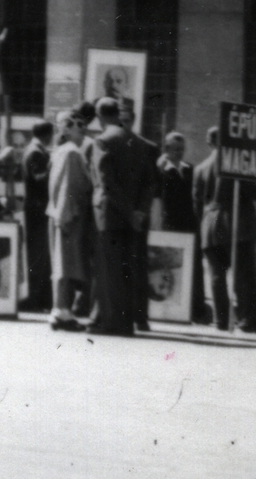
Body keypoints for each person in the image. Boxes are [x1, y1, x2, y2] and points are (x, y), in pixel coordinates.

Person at [85, 96, 149, 336]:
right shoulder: (137, 141)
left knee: (106, 269)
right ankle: (125, 322)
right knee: (125, 269)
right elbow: (148, 183)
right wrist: (138, 211)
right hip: (131, 217)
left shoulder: (102, 141)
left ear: (100, 116)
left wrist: (128, 211)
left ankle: (109, 322)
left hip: (109, 215)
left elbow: (106, 183)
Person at [193, 124, 256, 332]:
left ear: (209, 142)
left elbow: (196, 204)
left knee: (216, 275)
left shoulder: (200, 168)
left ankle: (221, 320)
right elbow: (254, 191)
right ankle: (246, 319)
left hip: (210, 226)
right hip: (236, 225)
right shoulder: (234, 163)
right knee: (244, 275)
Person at [156, 130, 208, 323]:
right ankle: (171, 308)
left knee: (194, 268)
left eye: (181, 149)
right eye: (175, 149)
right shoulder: (160, 169)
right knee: (172, 267)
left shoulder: (189, 170)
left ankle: (197, 310)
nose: (179, 153)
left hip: (189, 225)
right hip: (170, 225)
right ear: (167, 149)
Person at [47, 110, 92, 331]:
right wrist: (65, 217)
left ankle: (61, 311)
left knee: (62, 265)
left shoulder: (61, 151)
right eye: (78, 126)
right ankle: (62, 312)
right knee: (66, 266)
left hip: (61, 214)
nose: (83, 130)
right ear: (66, 128)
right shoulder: (72, 152)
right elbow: (68, 187)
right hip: (69, 216)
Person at [118, 98, 158, 331]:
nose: (123, 125)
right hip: (117, 214)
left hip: (138, 217)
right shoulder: (109, 143)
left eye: (126, 120)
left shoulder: (148, 147)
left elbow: (151, 185)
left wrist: (141, 212)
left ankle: (140, 317)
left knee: (138, 266)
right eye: (119, 120)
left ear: (133, 120)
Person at [19, 120, 53, 312]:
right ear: (47, 134)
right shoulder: (36, 152)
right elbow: (39, 178)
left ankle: (36, 297)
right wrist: (52, 164)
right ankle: (34, 298)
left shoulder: (34, 150)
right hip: (37, 209)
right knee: (38, 255)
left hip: (35, 208)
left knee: (38, 254)